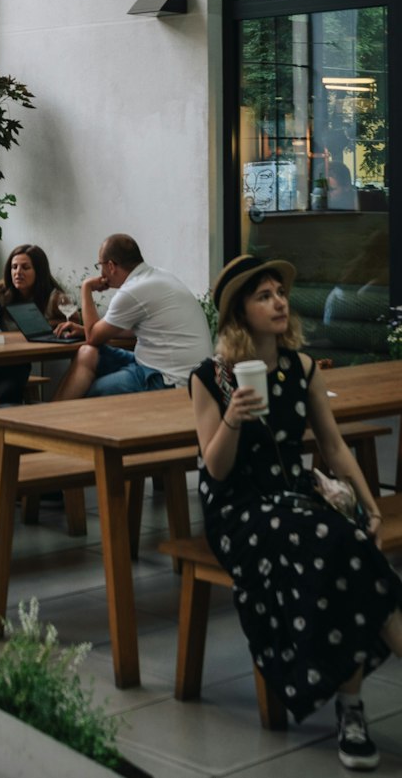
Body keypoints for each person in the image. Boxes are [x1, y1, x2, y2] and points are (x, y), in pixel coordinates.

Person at [191, 255, 402, 770]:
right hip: (239, 509)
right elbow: (216, 471)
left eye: (280, 293)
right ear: (240, 312)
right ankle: (349, 710)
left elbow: (333, 446)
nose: (280, 302)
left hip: (293, 499)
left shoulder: (301, 367)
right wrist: (234, 418)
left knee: (348, 550)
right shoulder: (211, 377)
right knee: (338, 547)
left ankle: (350, 709)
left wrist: (371, 507)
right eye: (264, 296)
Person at [52, 233, 210, 400]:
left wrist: (86, 288)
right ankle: (51, 415)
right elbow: (127, 331)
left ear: (111, 266)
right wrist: (84, 329)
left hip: (170, 379)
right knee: (87, 353)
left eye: (101, 265)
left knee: (94, 391)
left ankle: (55, 418)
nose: (101, 272)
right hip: (175, 370)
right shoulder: (157, 276)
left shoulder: (133, 290)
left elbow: (92, 336)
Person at [0, 243, 69, 404]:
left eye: (25, 267)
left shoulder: (54, 298)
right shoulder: (0, 292)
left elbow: (73, 323)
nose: (18, 273)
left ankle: (0, 417)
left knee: (15, 373)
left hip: (18, 358)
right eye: (14, 267)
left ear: (39, 271)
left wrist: (44, 323)